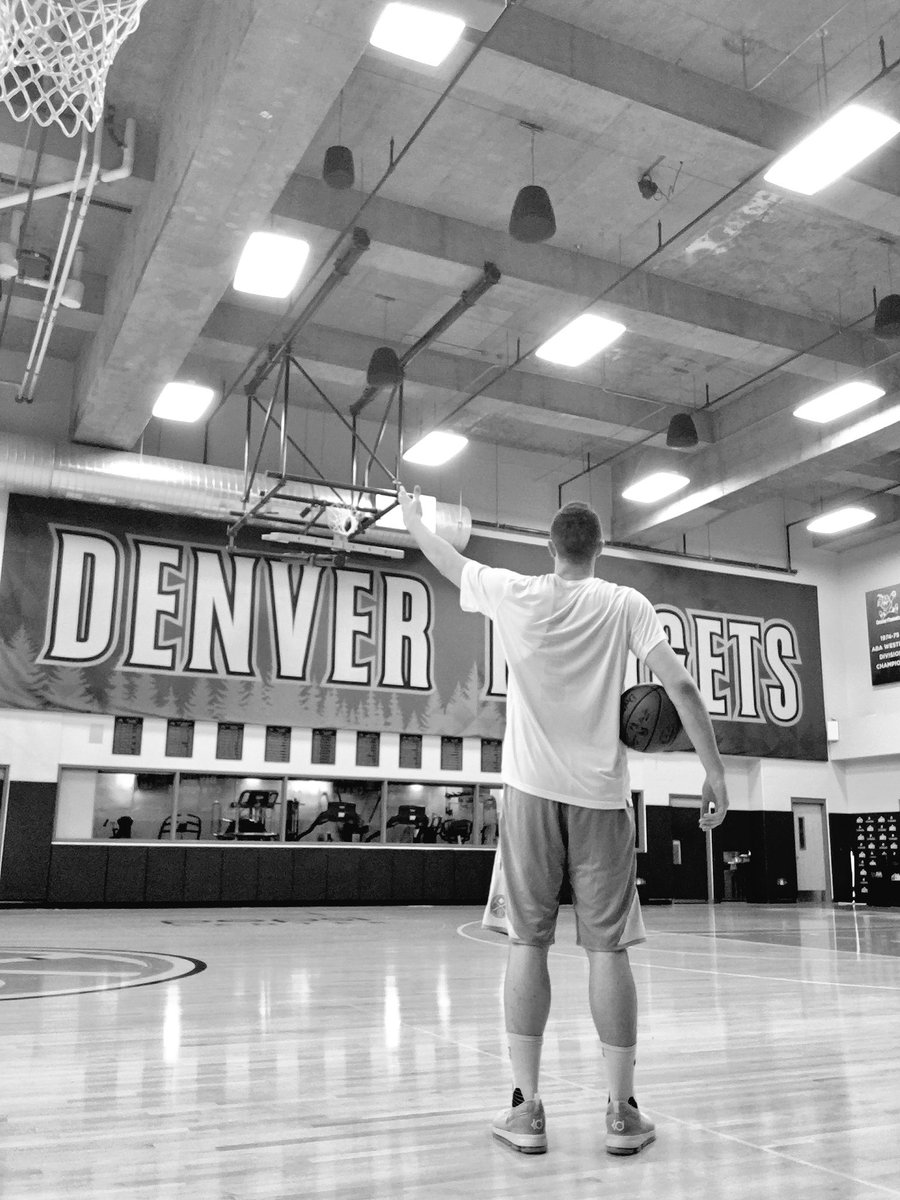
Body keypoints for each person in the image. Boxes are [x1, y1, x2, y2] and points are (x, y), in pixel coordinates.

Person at [397, 484, 729, 1157]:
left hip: (529, 793)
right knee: (608, 951)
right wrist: (714, 772)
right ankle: (621, 1113)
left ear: (550, 548)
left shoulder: (514, 592)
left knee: (528, 944)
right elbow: (682, 687)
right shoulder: (626, 603)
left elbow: (446, 560)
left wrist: (412, 518)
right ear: (600, 549)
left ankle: (526, 1110)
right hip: (602, 799)